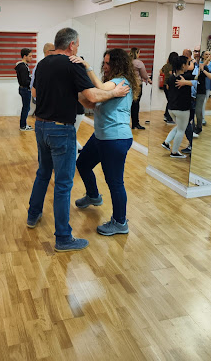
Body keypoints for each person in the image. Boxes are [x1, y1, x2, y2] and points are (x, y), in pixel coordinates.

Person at [27, 27, 130, 252]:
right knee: (63, 185)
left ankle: (32, 215)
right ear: (72, 45)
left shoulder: (43, 63)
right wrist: (113, 93)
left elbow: (36, 93)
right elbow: (92, 96)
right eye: (78, 45)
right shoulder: (72, 64)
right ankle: (63, 238)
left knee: (43, 173)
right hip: (60, 130)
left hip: (41, 127)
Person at [71, 48, 139, 236]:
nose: (105, 66)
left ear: (118, 64)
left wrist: (87, 67)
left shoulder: (121, 82)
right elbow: (92, 102)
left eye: (109, 63)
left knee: (115, 181)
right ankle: (93, 195)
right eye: (105, 63)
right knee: (82, 163)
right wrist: (74, 91)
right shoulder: (112, 85)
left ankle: (120, 222)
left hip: (115, 138)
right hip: (101, 136)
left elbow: (99, 88)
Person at [161, 55, 195, 158]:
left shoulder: (171, 77)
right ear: (183, 65)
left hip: (172, 108)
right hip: (182, 109)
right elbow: (197, 81)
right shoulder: (184, 78)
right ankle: (174, 152)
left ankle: (166, 142)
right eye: (187, 63)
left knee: (179, 126)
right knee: (181, 129)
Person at [129, 47, 152, 129]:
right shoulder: (139, 63)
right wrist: (148, 79)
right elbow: (144, 75)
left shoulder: (128, 62)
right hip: (137, 85)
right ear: (137, 53)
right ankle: (135, 123)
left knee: (130, 104)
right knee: (136, 104)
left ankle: (130, 122)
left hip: (129, 85)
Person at [194, 54, 211, 135]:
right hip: (192, 91)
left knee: (198, 110)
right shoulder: (192, 66)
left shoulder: (204, 67)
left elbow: (210, 77)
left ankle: (199, 127)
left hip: (201, 91)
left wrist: (203, 70)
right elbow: (195, 77)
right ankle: (192, 126)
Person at [15, 48, 33, 131]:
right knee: (26, 108)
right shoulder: (23, 67)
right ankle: (23, 126)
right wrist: (31, 80)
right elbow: (24, 81)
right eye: (30, 56)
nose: (31, 57)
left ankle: (23, 124)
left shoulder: (23, 66)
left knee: (26, 107)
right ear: (25, 56)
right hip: (25, 89)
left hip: (24, 89)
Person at [161, 51, 178, 124]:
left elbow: (161, 72)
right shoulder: (175, 67)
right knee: (171, 101)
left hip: (165, 85)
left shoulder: (166, 65)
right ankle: (168, 117)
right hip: (170, 85)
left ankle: (166, 115)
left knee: (170, 101)